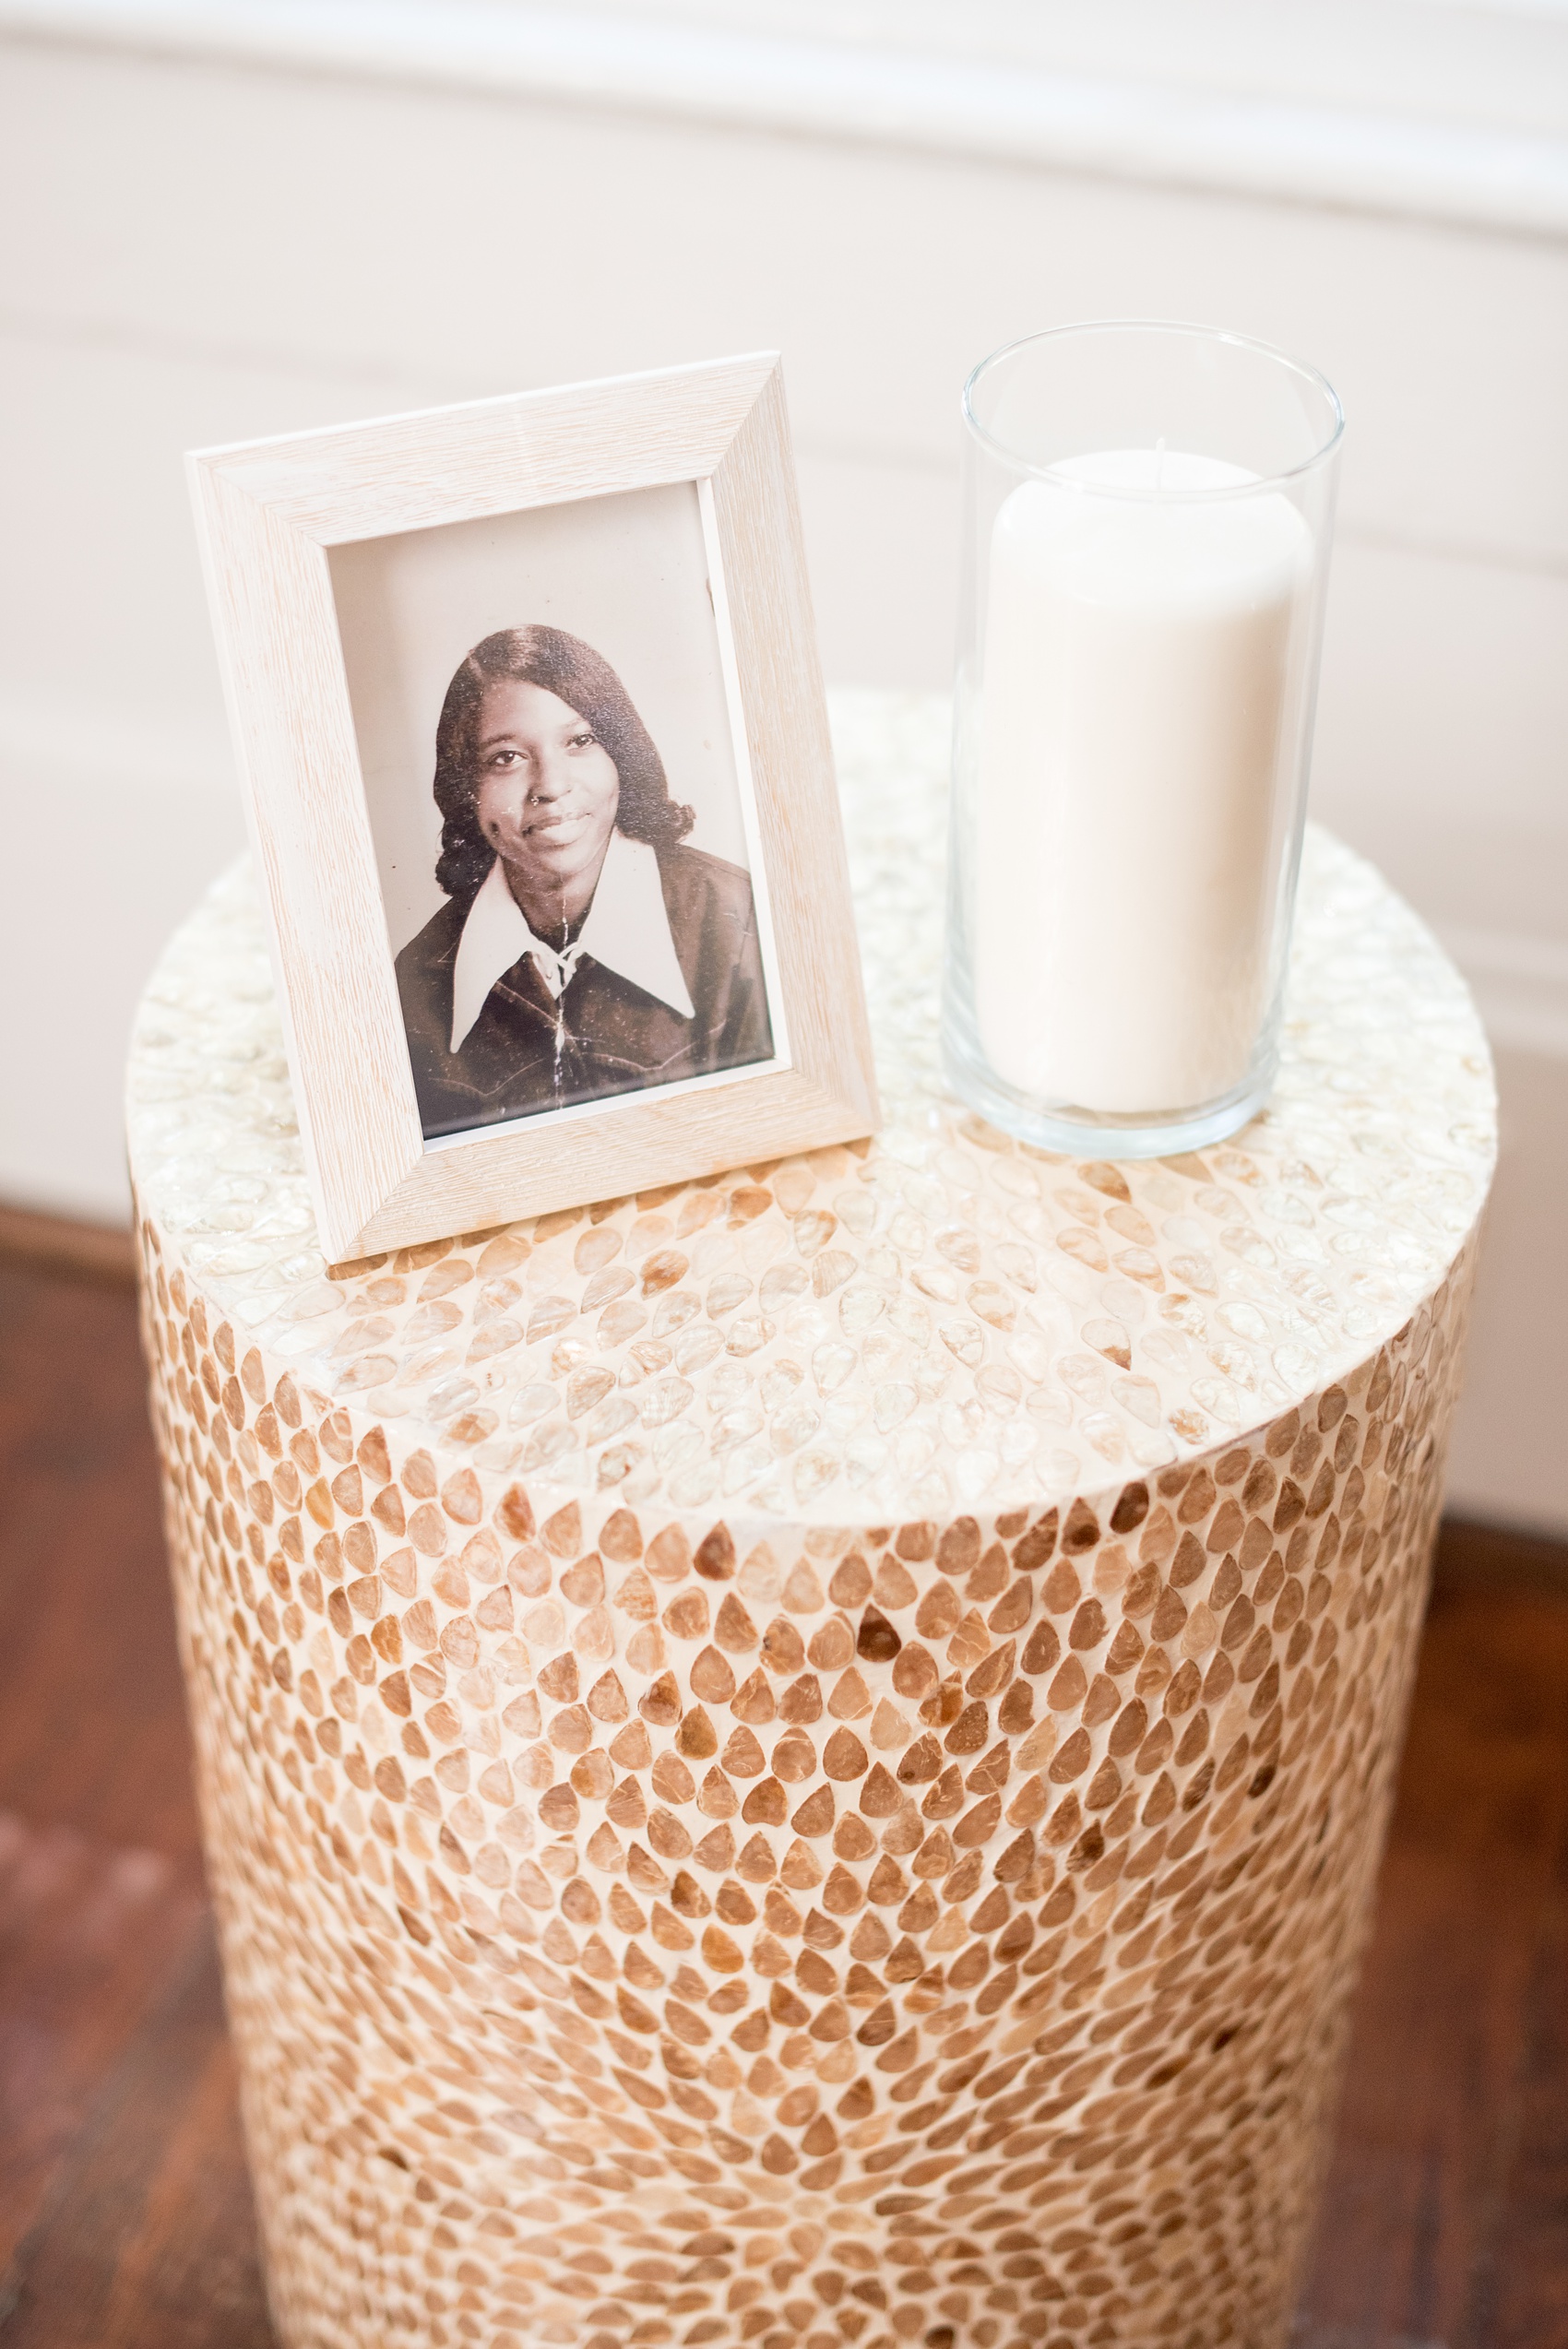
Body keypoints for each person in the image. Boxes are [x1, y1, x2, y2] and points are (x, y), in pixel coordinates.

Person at [395, 625, 773, 1137]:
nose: (551, 786)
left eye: (581, 741)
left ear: (622, 755)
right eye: (506, 758)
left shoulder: (740, 921)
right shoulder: (413, 985)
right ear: (467, 791)